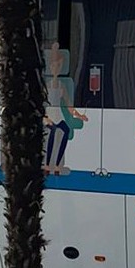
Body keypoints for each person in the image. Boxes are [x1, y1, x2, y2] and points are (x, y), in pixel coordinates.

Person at [43, 43, 87, 176]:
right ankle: (47, 165)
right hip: (48, 116)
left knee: (65, 130)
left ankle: (56, 165)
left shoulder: (62, 86)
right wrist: (45, 117)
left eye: (58, 66)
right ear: (50, 67)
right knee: (52, 133)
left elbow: (68, 106)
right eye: (54, 66)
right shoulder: (46, 86)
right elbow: (40, 104)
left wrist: (79, 116)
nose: (56, 69)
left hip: (58, 116)